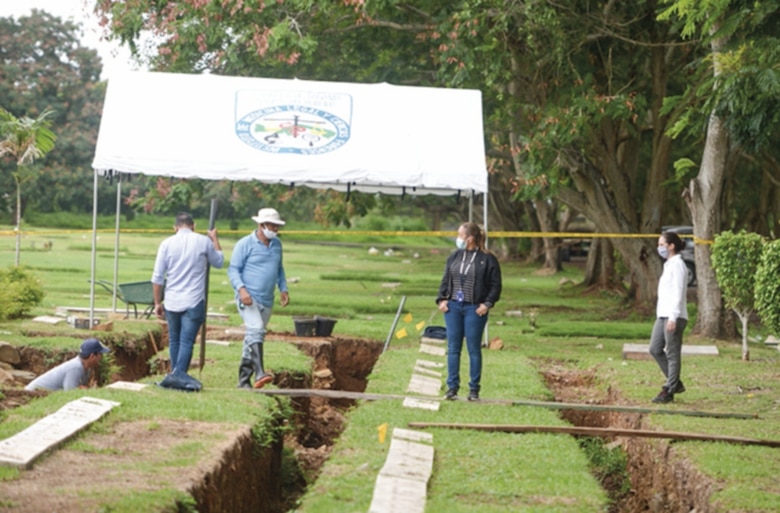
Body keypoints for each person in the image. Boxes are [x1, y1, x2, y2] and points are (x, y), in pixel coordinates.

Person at [151, 212, 223, 390]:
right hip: (194, 300)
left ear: (175, 227)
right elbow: (219, 261)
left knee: (175, 339)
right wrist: (214, 239)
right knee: (186, 341)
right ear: (194, 226)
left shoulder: (166, 244)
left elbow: (157, 277)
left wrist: (157, 303)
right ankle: (178, 376)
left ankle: (176, 375)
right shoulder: (203, 241)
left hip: (172, 300)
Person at [436, 222, 502, 401]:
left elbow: (495, 286)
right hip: (454, 307)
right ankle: (452, 388)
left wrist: (486, 304)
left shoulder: (487, 259)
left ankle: (474, 390)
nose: (457, 238)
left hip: (474, 308)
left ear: (470, 238)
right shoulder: (454, 257)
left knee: (473, 348)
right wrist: (442, 300)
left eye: (460, 235)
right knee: (453, 348)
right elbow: (445, 280)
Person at [228, 208, 290, 389]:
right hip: (248, 298)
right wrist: (242, 290)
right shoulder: (245, 244)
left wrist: (283, 289)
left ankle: (243, 381)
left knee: (252, 337)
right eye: (272, 225)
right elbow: (233, 270)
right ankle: (260, 373)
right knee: (256, 329)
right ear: (261, 224)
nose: (275, 229)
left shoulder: (277, 244)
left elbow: (279, 268)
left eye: (277, 226)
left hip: (267, 299)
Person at [649, 231, 689, 404]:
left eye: (662, 245)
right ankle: (675, 383)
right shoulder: (668, 265)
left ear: (671, 246)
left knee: (672, 353)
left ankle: (669, 389)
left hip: (674, 316)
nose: (660, 248)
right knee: (655, 348)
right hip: (663, 314)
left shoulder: (678, 265)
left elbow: (678, 293)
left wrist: (673, 317)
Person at [25, 338, 110, 391]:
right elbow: (70, 394)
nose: (101, 358)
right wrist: (88, 391)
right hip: (33, 394)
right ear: (92, 356)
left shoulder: (87, 368)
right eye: (100, 354)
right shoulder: (76, 367)